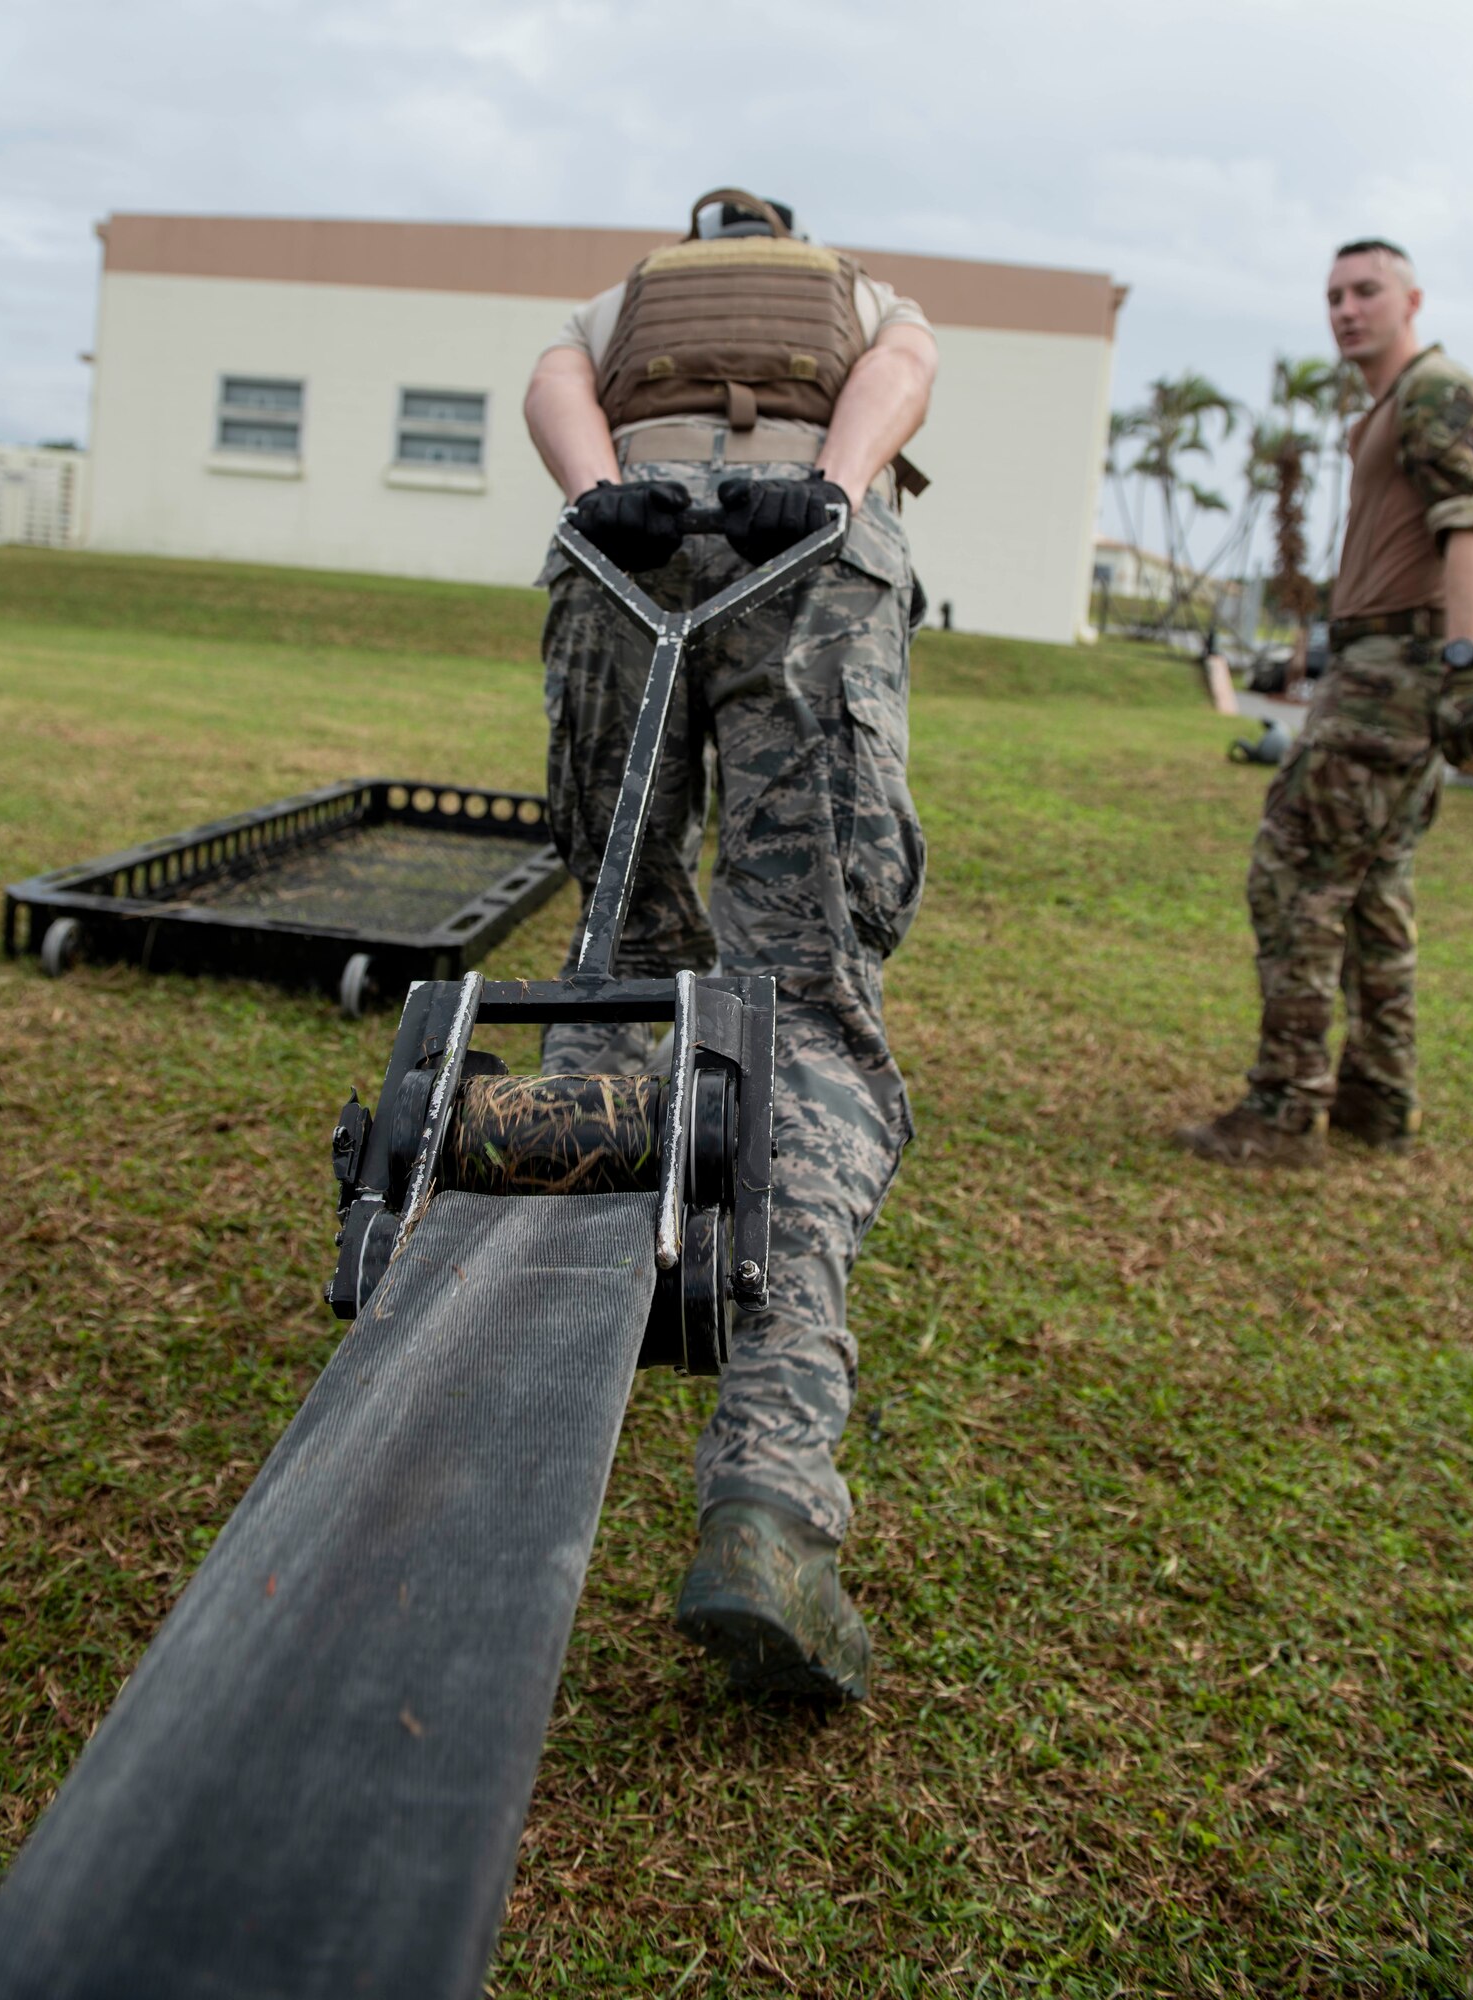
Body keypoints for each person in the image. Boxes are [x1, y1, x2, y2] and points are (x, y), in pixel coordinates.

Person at [523, 189, 938, 1700]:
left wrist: (602, 492)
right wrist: (829, 481)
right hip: (804, 564)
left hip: (622, 560)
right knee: (802, 1007)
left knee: (615, 971)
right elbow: (906, 370)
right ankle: (767, 1508)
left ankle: (513, 1401)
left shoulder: (626, 300)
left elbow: (552, 388)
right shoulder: (853, 286)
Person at [1180, 239, 1473, 1167]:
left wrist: (1464, 659)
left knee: (1296, 876)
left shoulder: (1437, 390)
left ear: (1413, 299)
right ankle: (1377, 1099)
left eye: (1367, 292)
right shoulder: (1386, 410)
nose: (1347, 309)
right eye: (1334, 296)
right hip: (1377, 664)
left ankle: (1284, 1111)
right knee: (1374, 889)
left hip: (1394, 672)